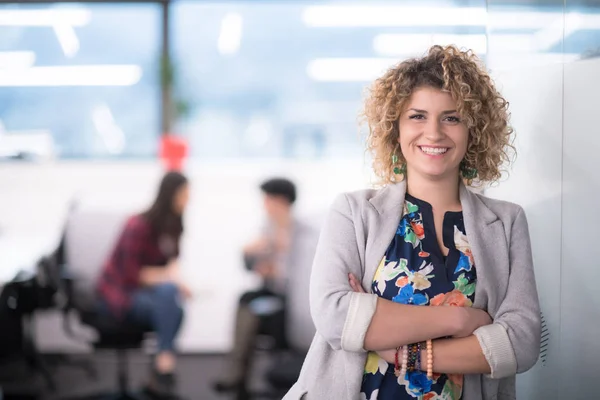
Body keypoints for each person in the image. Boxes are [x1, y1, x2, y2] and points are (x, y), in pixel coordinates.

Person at [283, 45, 541, 400]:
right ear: (395, 128)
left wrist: (403, 350)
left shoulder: (508, 222)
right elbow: (334, 317)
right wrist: (461, 321)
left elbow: (521, 342)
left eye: (451, 117)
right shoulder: (354, 212)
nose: (433, 133)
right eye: (417, 116)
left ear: (473, 131)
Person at [213, 178, 318, 399]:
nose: (265, 205)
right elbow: (251, 265)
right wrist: (252, 254)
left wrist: (277, 268)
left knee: (256, 310)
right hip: (272, 293)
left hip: (292, 301)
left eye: (268, 199)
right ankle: (238, 376)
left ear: (281, 201)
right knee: (246, 300)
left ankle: (239, 375)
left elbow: (303, 274)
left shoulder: (304, 232)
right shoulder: (268, 228)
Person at [96, 171, 192, 398]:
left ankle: (160, 367)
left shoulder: (173, 225)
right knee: (172, 300)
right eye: (184, 195)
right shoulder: (138, 225)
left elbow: (171, 262)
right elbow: (131, 275)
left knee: (173, 302)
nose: (188, 200)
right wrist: (170, 279)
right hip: (119, 294)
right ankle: (163, 366)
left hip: (149, 295)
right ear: (170, 195)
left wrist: (177, 280)